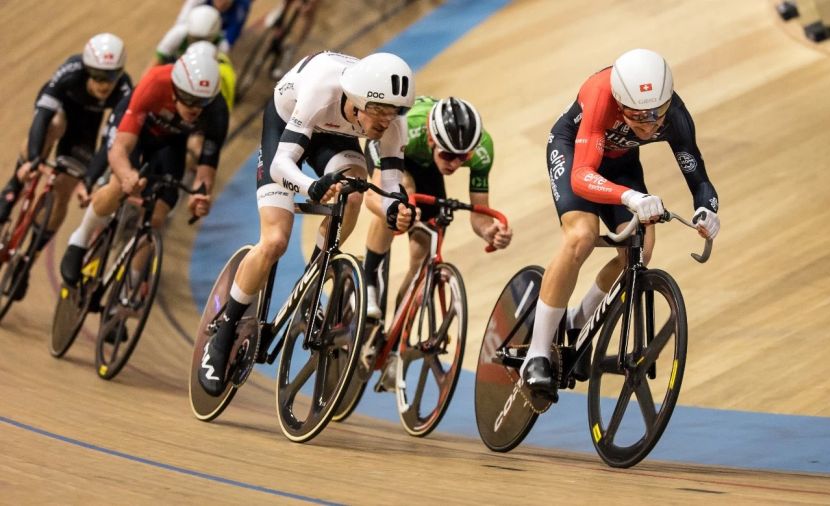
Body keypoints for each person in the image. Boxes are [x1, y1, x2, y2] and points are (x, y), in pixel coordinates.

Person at [197, 51, 416, 396]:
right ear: (359, 100)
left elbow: (390, 185)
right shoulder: (322, 88)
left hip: (336, 138)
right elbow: (281, 164)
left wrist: (395, 210)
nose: (386, 120)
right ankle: (223, 334)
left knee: (354, 192)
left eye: (394, 112)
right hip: (286, 127)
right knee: (274, 241)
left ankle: (316, 276)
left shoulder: (390, 124)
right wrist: (311, 186)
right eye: (379, 111)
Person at [520, 48, 720, 395]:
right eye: (637, 118)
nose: (648, 125)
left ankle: (577, 323)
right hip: (575, 152)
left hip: (620, 163)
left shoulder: (675, 114)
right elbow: (582, 175)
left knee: (638, 252)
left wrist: (707, 210)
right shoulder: (600, 94)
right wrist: (631, 197)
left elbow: (697, 173)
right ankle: (536, 355)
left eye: (656, 118)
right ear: (620, 101)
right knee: (582, 236)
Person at [59, 50, 228, 287]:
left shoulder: (217, 110)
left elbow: (206, 168)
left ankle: (129, 288)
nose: (195, 108)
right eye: (188, 99)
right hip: (137, 130)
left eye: (202, 102)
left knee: (158, 215)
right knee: (119, 184)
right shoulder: (155, 83)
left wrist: (201, 194)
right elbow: (119, 149)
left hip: (171, 141)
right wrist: (127, 175)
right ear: (175, 88)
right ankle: (80, 238)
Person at [0, 33, 131, 300]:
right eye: (97, 76)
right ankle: (13, 187)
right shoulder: (71, 72)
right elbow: (43, 116)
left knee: (64, 189)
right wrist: (34, 159)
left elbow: (111, 141)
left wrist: (89, 181)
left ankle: (27, 261)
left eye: (111, 76)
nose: (105, 84)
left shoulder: (123, 89)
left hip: (85, 131)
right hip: (60, 114)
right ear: (86, 69)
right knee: (54, 125)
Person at [362, 96, 512, 321]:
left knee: (422, 255)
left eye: (463, 157)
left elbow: (480, 213)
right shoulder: (407, 129)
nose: (455, 164)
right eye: (449, 155)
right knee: (400, 195)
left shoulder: (482, 149)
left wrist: (488, 231)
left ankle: (391, 342)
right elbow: (373, 194)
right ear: (432, 139)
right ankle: (369, 279)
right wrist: (395, 211)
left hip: (427, 162)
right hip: (392, 147)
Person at [154, 5, 236, 109]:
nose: (198, 43)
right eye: (195, 38)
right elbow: (156, 63)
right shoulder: (177, 34)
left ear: (215, 36)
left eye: (205, 39)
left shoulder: (222, 47)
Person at [173, 0, 254, 54]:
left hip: (219, 31)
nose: (220, 3)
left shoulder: (241, 7)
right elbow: (181, 23)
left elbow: (227, 44)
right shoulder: (197, 1)